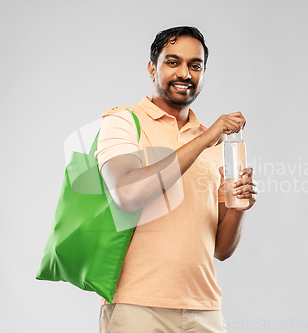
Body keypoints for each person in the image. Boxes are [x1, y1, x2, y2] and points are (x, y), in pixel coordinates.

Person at [95, 26, 258, 333]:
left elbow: (221, 249)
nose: (185, 73)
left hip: (204, 310)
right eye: (173, 62)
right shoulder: (124, 122)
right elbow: (127, 194)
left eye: (195, 66)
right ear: (152, 67)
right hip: (137, 308)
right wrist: (208, 137)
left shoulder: (216, 144)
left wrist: (238, 207)